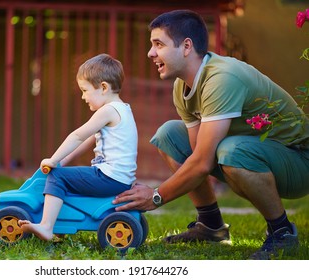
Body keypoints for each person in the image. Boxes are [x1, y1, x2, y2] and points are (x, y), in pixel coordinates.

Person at [113, 10, 309, 259]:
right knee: (169, 134)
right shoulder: (182, 85)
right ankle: (210, 226)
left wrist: (155, 196)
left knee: (232, 150)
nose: (151, 53)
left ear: (186, 47)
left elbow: (204, 160)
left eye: (158, 44)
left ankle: (282, 233)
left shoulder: (221, 78)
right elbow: (198, 157)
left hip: (298, 161)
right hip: (258, 155)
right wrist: (162, 191)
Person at [18, 53, 138, 241]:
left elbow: (77, 136)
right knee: (66, 175)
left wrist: (53, 161)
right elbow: (90, 139)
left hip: (109, 177)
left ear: (103, 87)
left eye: (85, 90)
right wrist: (63, 160)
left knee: (57, 177)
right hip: (120, 178)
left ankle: (46, 227)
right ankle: (62, 222)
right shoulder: (123, 109)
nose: (83, 97)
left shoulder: (108, 110)